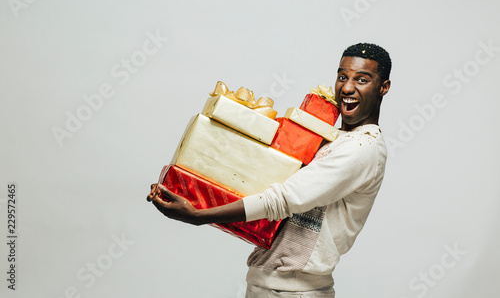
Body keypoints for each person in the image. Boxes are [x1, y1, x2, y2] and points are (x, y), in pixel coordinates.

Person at [147, 43, 392, 297]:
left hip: (294, 291)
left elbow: (283, 198)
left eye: (362, 80)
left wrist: (199, 215)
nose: (348, 87)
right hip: (268, 284)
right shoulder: (333, 139)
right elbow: (262, 179)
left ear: (383, 87)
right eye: (343, 77)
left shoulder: (364, 147)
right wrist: (188, 186)